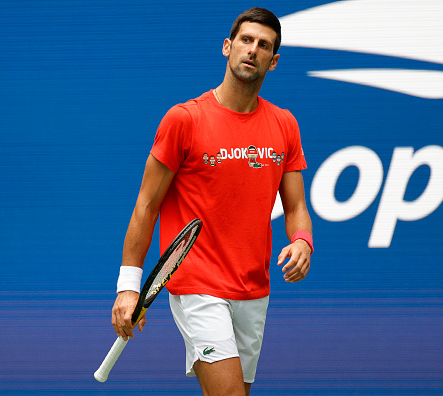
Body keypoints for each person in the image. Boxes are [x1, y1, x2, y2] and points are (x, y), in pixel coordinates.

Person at [111, 7, 313, 396]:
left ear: (274, 61)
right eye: (245, 40)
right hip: (197, 285)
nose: (252, 50)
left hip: (254, 288)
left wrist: (302, 239)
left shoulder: (285, 124)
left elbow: (296, 206)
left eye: (263, 45)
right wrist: (128, 287)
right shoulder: (184, 119)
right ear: (227, 46)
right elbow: (146, 205)